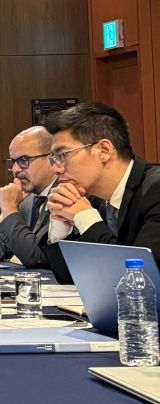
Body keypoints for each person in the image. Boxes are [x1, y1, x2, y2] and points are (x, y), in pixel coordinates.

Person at [44, 101, 160, 277]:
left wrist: (86, 218)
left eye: (63, 155)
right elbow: (68, 277)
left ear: (104, 150)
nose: (55, 169)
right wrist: (60, 228)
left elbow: (138, 278)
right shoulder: (93, 199)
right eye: (53, 159)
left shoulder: (155, 190)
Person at [0, 126, 58, 266]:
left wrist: (9, 209)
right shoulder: (29, 199)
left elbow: (37, 258)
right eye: (13, 162)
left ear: (52, 159)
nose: (15, 169)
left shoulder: (66, 195)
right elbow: (13, 241)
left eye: (24, 160)